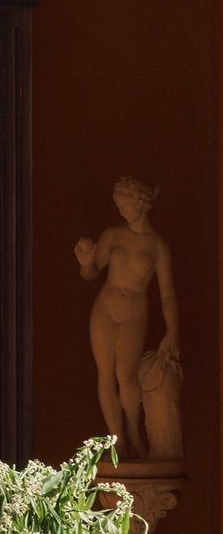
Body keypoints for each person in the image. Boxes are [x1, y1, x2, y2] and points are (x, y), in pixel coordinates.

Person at [76, 178, 178, 459]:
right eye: (118, 206)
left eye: (124, 205)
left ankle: (133, 428)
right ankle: (117, 438)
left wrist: (172, 332)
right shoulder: (113, 235)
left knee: (126, 375)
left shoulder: (157, 246)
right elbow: (92, 272)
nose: (120, 211)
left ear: (141, 204)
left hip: (135, 310)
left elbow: (167, 294)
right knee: (105, 374)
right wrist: (86, 262)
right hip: (105, 307)